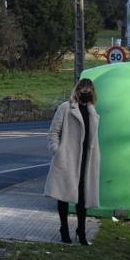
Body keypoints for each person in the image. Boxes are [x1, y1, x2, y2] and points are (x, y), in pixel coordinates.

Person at [44, 78, 100, 245]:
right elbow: (53, 133)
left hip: (86, 159)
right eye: (82, 92)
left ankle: (81, 231)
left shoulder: (92, 111)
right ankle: (64, 229)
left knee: (83, 197)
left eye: (88, 92)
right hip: (67, 158)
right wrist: (58, 151)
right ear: (77, 91)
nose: (85, 95)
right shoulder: (65, 108)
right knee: (63, 196)